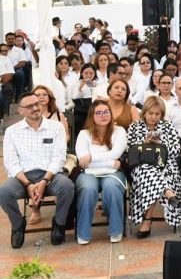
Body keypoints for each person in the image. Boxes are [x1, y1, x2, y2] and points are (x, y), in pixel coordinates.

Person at [0, 92, 74, 248]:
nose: (35, 108)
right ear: (20, 110)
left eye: (37, 104)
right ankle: (18, 225)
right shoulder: (12, 131)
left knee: (67, 186)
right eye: (29, 106)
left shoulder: (56, 127)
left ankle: (59, 223)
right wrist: (28, 184)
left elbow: (59, 157)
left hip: (51, 175)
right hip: (23, 177)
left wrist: (44, 180)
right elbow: (11, 162)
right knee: (4, 192)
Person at [126, 96, 181, 237]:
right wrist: (144, 143)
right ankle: (169, 193)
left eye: (157, 114)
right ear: (144, 112)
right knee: (147, 171)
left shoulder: (167, 126)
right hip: (141, 165)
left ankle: (147, 221)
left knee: (154, 176)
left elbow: (176, 149)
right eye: (150, 113)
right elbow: (129, 149)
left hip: (164, 164)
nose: (153, 117)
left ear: (162, 114)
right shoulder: (135, 126)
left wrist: (161, 144)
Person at [74, 100, 127, 244]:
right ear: (92, 115)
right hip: (88, 172)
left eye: (106, 112)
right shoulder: (84, 134)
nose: (103, 115)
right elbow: (82, 161)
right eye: (98, 112)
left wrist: (91, 157)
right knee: (88, 189)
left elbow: (116, 153)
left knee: (111, 188)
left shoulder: (119, 131)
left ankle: (116, 230)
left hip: (112, 173)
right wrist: (110, 162)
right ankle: (83, 234)